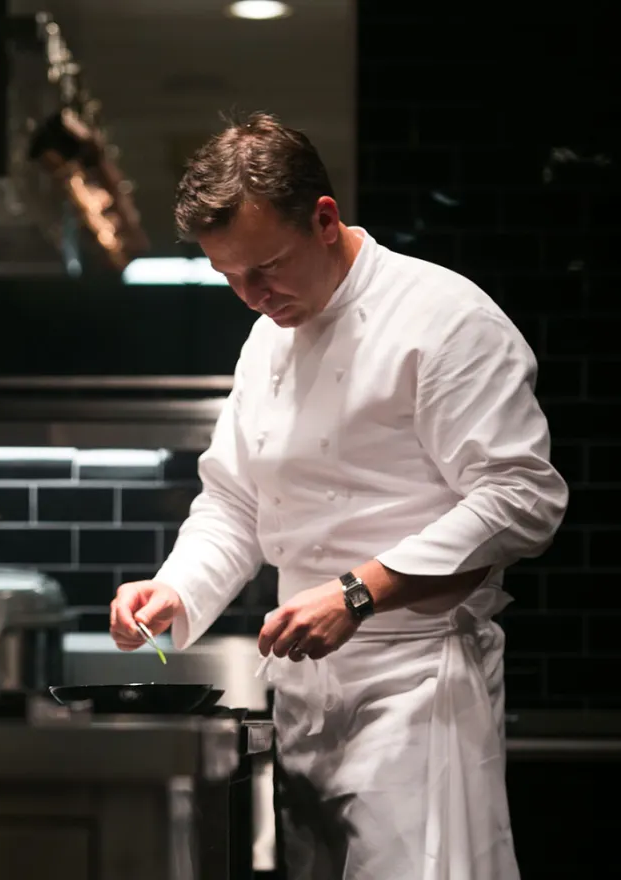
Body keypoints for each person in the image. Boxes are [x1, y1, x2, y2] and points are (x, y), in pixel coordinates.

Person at [109, 112, 568, 880]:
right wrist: (174, 590)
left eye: (266, 268)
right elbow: (235, 502)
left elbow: (522, 497)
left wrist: (358, 592)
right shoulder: (269, 336)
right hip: (304, 697)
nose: (251, 296)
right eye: (229, 276)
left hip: (416, 687)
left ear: (325, 220)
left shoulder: (445, 318)